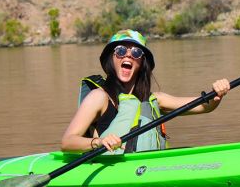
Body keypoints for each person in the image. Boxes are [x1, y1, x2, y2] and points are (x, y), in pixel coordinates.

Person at [61, 30, 230, 153]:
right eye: (120, 50)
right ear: (111, 59)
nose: (127, 56)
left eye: (136, 52)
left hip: (148, 167)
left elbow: (203, 107)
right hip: (112, 169)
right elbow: (67, 142)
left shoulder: (156, 99)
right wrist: (99, 142)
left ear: (142, 62)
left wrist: (217, 94)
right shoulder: (99, 97)